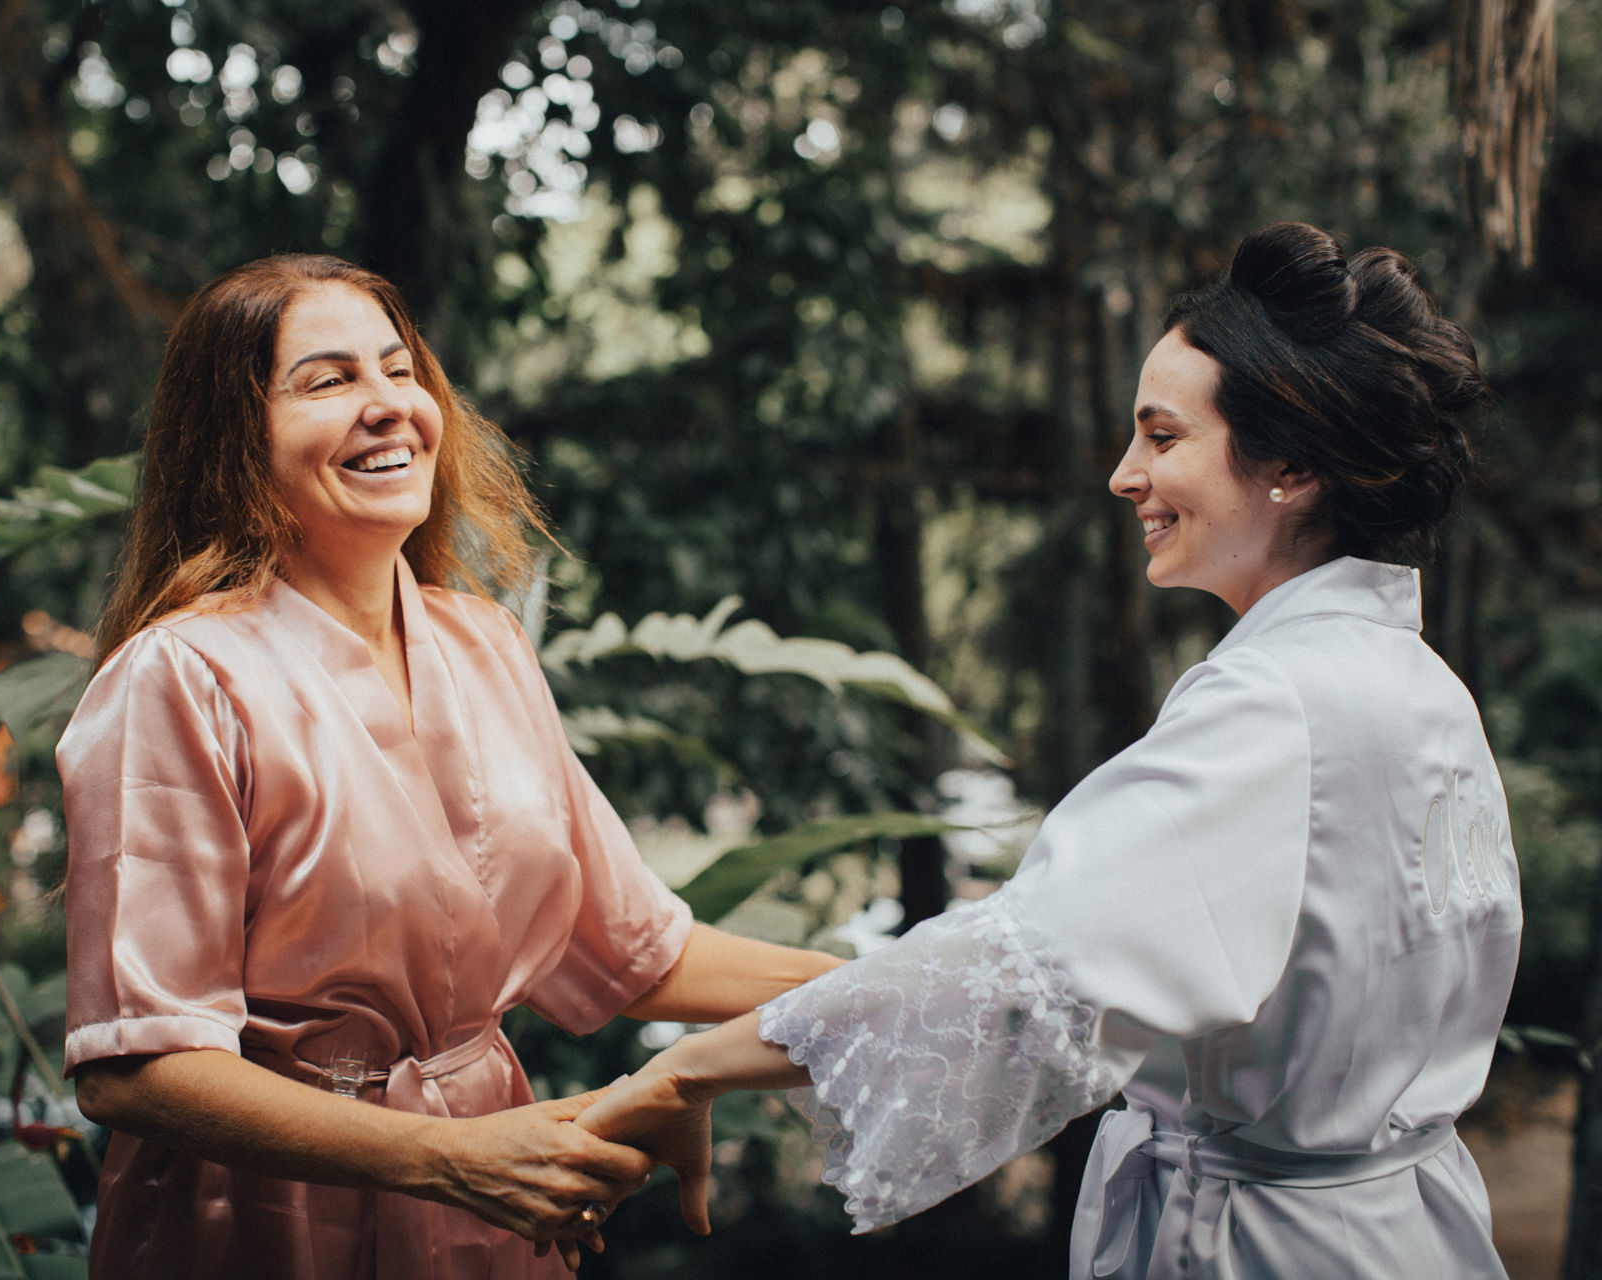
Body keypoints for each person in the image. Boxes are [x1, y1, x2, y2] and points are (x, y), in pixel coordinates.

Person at [577, 221, 1523, 1279]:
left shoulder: (1276, 700)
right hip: (1407, 1225)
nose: (1125, 475)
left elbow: (1028, 970)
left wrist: (688, 1071)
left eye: (1162, 437)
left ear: (1290, 463)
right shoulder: (1414, 681)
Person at [58, 254, 839, 1280]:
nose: (388, 406)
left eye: (398, 368)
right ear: (235, 438)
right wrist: (450, 1157)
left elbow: (635, 950)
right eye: (328, 380)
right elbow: (139, 1063)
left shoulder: (484, 642)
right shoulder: (179, 677)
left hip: (489, 1207)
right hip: (260, 1221)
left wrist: (908, 979)